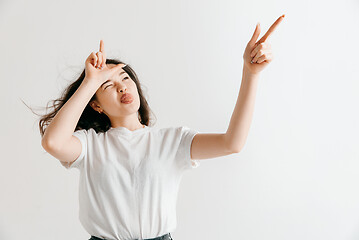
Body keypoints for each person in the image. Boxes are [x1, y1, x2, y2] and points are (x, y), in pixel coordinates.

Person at [40, 14, 284, 240]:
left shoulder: (172, 141)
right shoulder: (90, 144)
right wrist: (90, 80)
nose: (122, 87)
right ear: (96, 105)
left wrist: (250, 73)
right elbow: (53, 143)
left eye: (125, 78)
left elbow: (233, 143)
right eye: (108, 85)